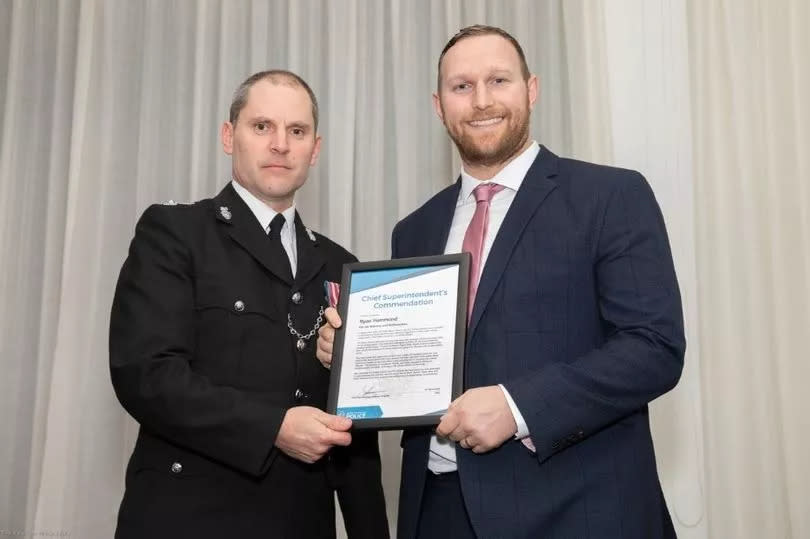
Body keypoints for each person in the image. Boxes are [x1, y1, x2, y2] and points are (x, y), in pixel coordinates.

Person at [317, 25, 685, 539]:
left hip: (576, 508)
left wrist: (518, 407)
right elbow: (418, 364)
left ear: (530, 89)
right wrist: (353, 352)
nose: (482, 101)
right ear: (438, 105)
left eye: (498, 80)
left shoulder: (610, 196)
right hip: (439, 510)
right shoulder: (415, 228)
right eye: (461, 86)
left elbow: (654, 348)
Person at [110, 70, 388, 539]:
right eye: (262, 127)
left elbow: (353, 428)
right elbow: (146, 375)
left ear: (314, 149)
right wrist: (273, 426)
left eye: (296, 131)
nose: (280, 144)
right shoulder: (176, 233)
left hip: (301, 520)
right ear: (228, 136)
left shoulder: (342, 265)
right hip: (188, 519)